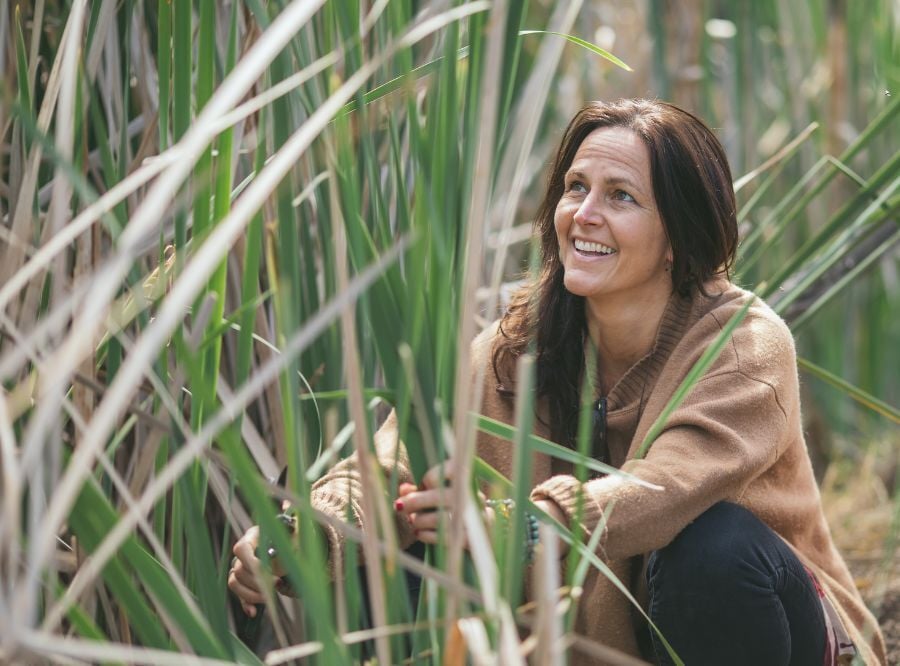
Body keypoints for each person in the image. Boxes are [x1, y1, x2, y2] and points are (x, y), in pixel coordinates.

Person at [229, 99, 886, 665]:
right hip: (584, 647)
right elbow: (392, 458)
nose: (584, 214)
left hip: (777, 630)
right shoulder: (518, 346)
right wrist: (306, 531)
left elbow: (663, 490)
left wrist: (513, 526)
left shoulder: (743, 344)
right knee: (391, 534)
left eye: (620, 196)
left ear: (677, 240)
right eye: (576, 187)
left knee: (710, 549)